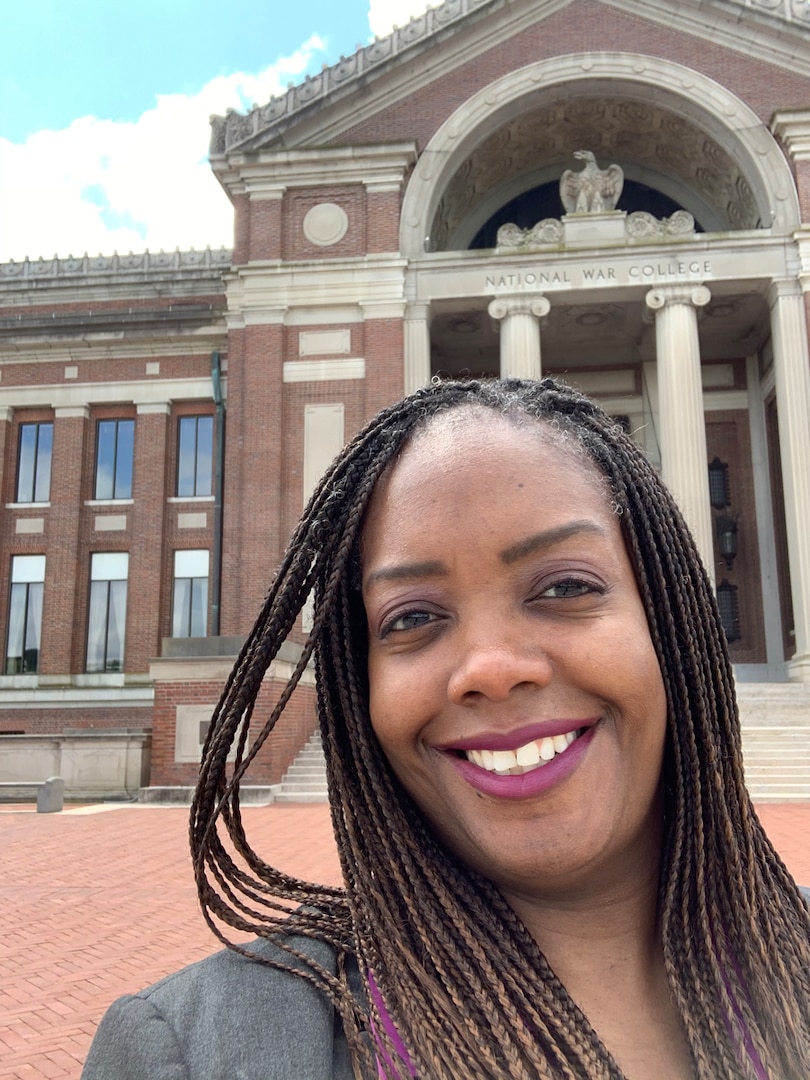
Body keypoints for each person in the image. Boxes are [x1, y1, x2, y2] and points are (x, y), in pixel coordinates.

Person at [83, 377, 809, 1080]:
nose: (490, 669)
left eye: (564, 587)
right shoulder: (184, 1056)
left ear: (670, 620)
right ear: (359, 685)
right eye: (413, 618)